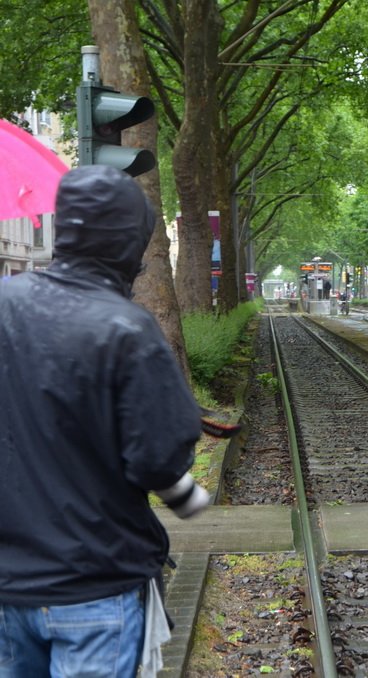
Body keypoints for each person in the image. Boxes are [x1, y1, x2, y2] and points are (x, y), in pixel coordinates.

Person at [0, 165, 210, 678]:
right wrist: (186, 495)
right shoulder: (125, 326)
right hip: (96, 583)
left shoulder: (5, 305)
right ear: (129, 244)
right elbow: (159, 454)